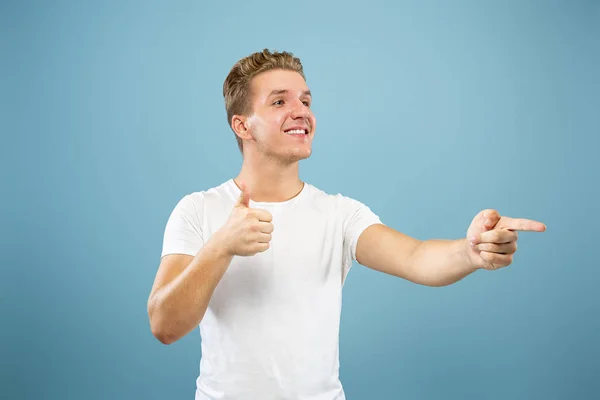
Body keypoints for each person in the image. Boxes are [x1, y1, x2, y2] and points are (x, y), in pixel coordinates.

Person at [147, 49, 546, 400]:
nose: (300, 110)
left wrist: (470, 251)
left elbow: (416, 257)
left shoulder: (339, 214)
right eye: (279, 101)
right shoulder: (198, 210)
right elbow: (165, 325)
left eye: (305, 99)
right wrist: (221, 247)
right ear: (242, 125)